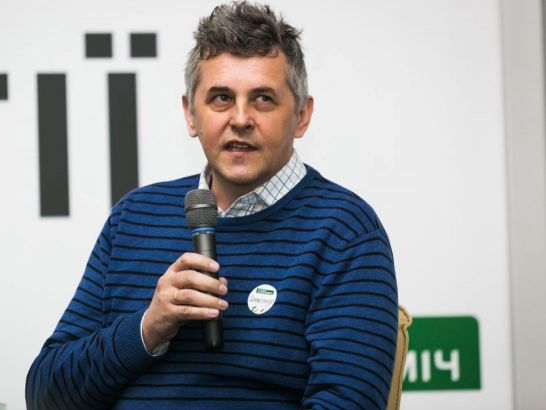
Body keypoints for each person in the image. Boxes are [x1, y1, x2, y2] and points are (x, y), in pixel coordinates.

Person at [26, 2, 398, 409]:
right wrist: (147, 328)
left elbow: (347, 403)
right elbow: (46, 396)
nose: (240, 119)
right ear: (191, 114)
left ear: (301, 116)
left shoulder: (344, 231)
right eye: (221, 98)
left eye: (263, 99)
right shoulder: (133, 217)